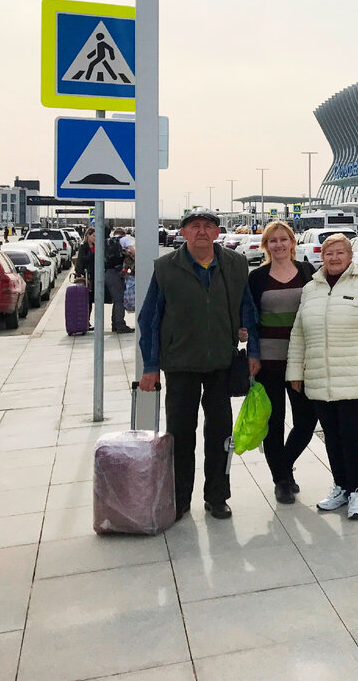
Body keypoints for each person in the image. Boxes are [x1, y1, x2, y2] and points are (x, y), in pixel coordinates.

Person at [138, 207, 260, 522]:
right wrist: (150, 366)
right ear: (184, 233)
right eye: (195, 226)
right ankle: (179, 500)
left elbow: (248, 308)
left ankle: (217, 497)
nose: (202, 231)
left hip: (221, 362)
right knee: (180, 434)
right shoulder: (166, 268)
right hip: (180, 364)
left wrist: (254, 350)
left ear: (218, 233)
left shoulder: (234, 265)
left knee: (219, 433)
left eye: (208, 226)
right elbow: (149, 318)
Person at [286, 233, 358, 520]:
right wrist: (296, 372)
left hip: (355, 376)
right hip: (320, 376)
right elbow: (299, 335)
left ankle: (357, 490)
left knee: (353, 435)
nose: (334, 258)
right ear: (321, 257)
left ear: (350, 256)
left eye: (340, 253)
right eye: (328, 253)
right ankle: (341, 487)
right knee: (332, 436)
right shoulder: (311, 289)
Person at [247, 220, 317, 505]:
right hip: (268, 361)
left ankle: (284, 466)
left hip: (302, 360)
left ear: (292, 242)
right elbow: (249, 320)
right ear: (266, 245)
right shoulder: (257, 278)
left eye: (283, 239)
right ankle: (282, 481)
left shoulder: (307, 272)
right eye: (272, 240)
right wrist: (252, 354)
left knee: (306, 420)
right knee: (273, 423)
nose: (278, 244)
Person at [104, 228, 133, 333]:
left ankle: (115, 324)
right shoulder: (125, 239)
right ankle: (120, 325)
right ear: (124, 234)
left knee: (116, 299)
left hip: (107, 272)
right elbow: (132, 251)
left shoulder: (109, 241)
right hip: (116, 273)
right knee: (119, 299)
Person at [73, 226, 98, 331]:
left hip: (96, 276)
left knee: (93, 299)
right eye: (93, 236)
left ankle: (90, 321)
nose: (95, 238)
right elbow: (81, 261)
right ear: (88, 236)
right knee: (86, 300)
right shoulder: (84, 247)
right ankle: (85, 321)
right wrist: (80, 274)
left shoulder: (97, 246)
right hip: (87, 276)